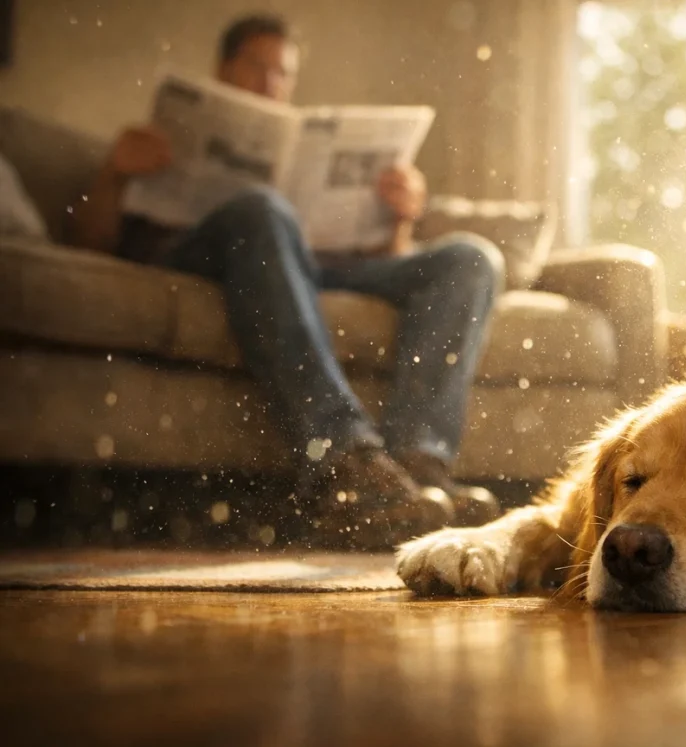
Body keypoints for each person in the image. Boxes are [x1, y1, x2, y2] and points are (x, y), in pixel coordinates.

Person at [71, 14, 504, 548]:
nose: (270, 82)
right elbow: (92, 244)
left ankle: (417, 467)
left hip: (309, 264)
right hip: (203, 251)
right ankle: (344, 460)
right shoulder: (161, 139)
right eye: (257, 66)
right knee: (260, 210)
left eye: (283, 73)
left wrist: (399, 218)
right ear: (223, 68)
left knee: (470, 258)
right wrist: (115, 171)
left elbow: (384, 259)